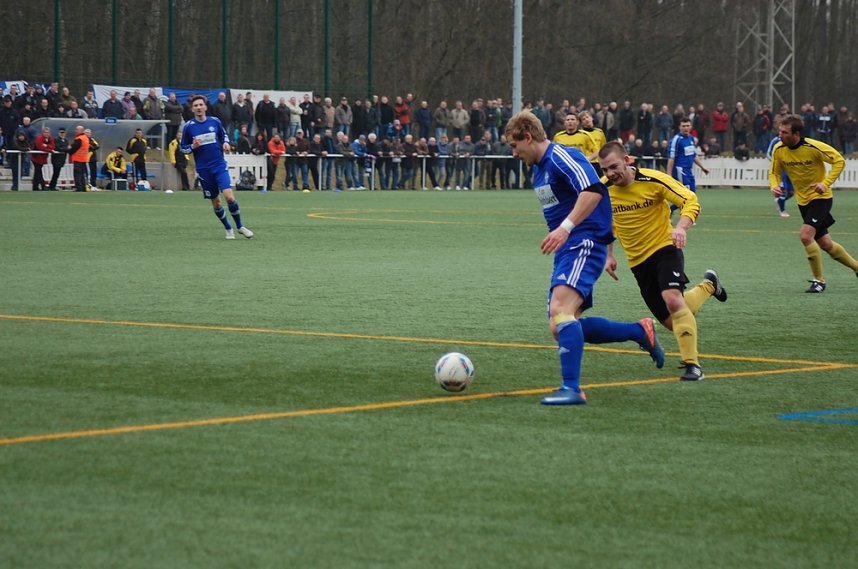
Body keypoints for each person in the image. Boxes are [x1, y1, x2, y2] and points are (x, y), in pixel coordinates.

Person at [505, 111, 664, 406]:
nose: (514, 153)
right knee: (560, 325)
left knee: (560, 310)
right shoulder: (539, 168)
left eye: (515, 146)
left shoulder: (560, 157)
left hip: (583, 241)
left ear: (528, 137)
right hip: (570, 247)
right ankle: (638, 330)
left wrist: (567, 230)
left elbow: (593, 190)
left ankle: (572, 389)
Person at [598, 141, 727, 382]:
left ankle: (693, 366)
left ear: (628, 160)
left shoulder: (654, 180)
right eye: (604, 169)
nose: (610, 173)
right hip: (638, 262)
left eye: (614, 166)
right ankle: (709, 285)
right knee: (672, 321)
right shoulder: (603, 189)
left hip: (664, 247)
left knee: (672, 299)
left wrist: (681, 227)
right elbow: (606, 224)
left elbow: (690, 200)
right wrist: (609, 254)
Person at [769, 114, 856, 292]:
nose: (780, 135)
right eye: (779, 131)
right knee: (826, 244)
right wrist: (774, 185)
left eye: (784, 132)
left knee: (805, 236)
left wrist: (825, 184)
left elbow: (839, 161)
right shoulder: (779, 149)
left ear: (796, 134)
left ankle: (819, 281)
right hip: (803, 201)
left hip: (821, 199)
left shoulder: (813, 146)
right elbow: (774, 172)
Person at [180, 95, 254, 240]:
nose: (198, 107)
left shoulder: (214, 121)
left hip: (219, 166)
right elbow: (183, 148)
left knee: (230, 198)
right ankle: (228, 228)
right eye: (196, 106)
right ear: (193, 109)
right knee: (217, 202)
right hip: (204, 170)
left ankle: (240, 226)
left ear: (205, 107)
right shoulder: (189, 127)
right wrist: (192, 146)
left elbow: (224, 135)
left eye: (201, 105)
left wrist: (226, 143)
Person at [667, 118, 710, 197]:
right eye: (683, 126)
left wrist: (702, 167)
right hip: (680, 170)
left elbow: (693, 155)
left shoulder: (691, 138)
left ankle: (670, 209)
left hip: (688, 171)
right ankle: (673, 209)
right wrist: (669, 174)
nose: (686, 128)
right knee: (687, 195)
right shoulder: (676, 140)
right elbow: (671, 158)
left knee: (692, 194)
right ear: (679, 127)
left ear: (691, 127)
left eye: (687, 126)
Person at [31, 126, 55, 191]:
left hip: (42, 158)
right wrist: (49, 149)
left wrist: (47, 146)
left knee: (37, 172)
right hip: (36, 157)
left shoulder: (50, 138)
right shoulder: (39, 138)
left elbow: (53, 146)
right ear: (43, 132)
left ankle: (35, 187)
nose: (47, 134)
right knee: (39, 172)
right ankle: (43, 185)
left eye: (48, 132)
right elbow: (40, 147)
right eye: (45, 132)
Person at [67, 125, 90, 192]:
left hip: (78, 158)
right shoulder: (85, 138)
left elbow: (75, 147)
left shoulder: (79, 138)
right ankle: (83, 188)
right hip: (84, 159)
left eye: (76, 129)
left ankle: (78, 187)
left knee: (77, 174)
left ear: (80, 130)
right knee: (82, 174)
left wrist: (69, 150)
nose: (75, 131)